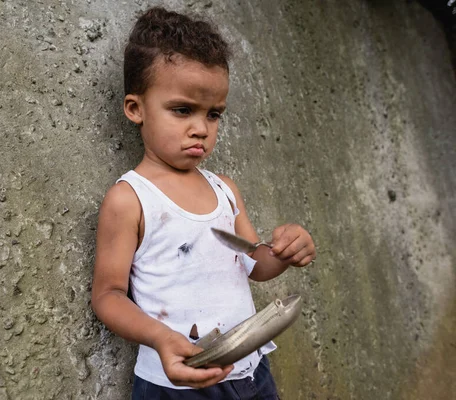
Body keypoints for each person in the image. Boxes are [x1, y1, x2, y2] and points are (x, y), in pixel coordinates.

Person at [91, 7, 316, 399]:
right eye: (182, 110)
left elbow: (255, 265)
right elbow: (108, 295)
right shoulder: (130, 199)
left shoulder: (224, 189)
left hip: (249, 368)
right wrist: (160, 338)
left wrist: (284, 250)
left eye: (214, 114)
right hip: (177, 380)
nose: (201, 128)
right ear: (136, 109)